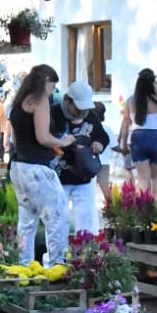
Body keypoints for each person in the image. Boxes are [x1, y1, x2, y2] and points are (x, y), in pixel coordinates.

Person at [8, 64, 75, 266]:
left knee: (26, 221)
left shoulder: (19, 101)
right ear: (46, 81)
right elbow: (43, 137)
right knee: (57, 217)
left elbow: (15, 138)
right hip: (37, 168)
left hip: (18, 166)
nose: (53, 91)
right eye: (52, 86)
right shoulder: (40, 101)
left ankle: (24, 266)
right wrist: (64, 141)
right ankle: (57, 265)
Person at [51, 80, 110, 235]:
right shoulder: (54, 114)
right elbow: (47, 141)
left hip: (84, 176)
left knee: (87, 219)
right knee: (57, 220)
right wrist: (69, 145)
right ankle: (57, 250)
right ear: (68, 101)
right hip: (60, 176)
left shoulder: (90, 115)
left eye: (84, 108)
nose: (81, 112)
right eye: (77, 108)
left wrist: (99, 143)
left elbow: (102, 136)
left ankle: (86, 247)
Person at [120, 69, 157, 195]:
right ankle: (155, 203)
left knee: (143, 178)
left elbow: (126, 124)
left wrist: (124, 144)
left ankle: (143, 205)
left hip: (138, 138)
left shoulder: (131, 101)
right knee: (155, 176)